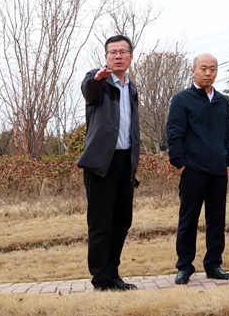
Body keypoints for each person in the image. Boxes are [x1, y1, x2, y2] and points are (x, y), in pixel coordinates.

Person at [77, 35, 140, 292]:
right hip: (101, 164)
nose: (118, 56)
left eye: (122, 52)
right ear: (106, 57)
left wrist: (134, 162)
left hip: (125, 162)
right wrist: (98, 78)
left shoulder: (131, 88)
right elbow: (89, 90)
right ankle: (100, 280)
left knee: (122, 222)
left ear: (130, 57)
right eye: (113, 52)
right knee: (100, 225)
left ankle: (113, 275)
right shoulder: (98, 81)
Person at [166, 53, 229, 285]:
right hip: (193, 170)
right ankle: (184, 266)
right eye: (203, 68)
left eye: (212, 69)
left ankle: (213, 264)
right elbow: (174, 135)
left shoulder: (222, 101)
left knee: (217, 219)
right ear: (193, 70)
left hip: (218, 171)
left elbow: (227, 135)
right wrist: (181, 164)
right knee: (188, 219)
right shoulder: (181, 100)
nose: (208, 73)